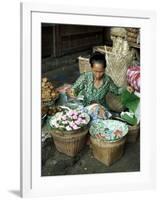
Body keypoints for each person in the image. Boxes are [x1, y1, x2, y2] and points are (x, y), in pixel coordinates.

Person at [66, 51, 133, 120]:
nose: (98, 75)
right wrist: (72, 92)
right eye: (95, 71)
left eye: (101, 72)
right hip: (86, 108)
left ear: (105, 69)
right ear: (91, 68)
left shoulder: (107, 80)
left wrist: (126, 88)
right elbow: (74, 88)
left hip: (102, 109)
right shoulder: (85, 77)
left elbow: (117, 91)